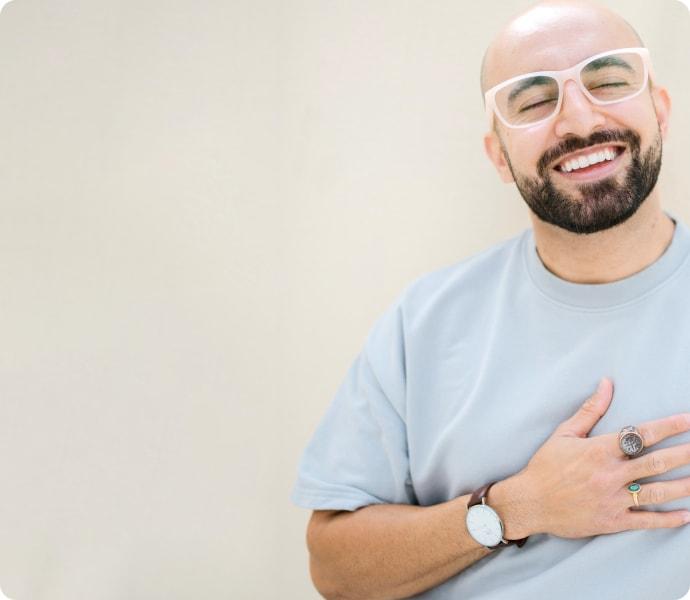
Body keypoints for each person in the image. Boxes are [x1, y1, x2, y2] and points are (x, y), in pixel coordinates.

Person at [291, 1, 690, 598]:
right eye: (533, 102)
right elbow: (336, 569)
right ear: (499, 156)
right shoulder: (423, 324)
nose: (578, 121)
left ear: (659, 110)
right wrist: (517, 508)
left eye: (608, 81)